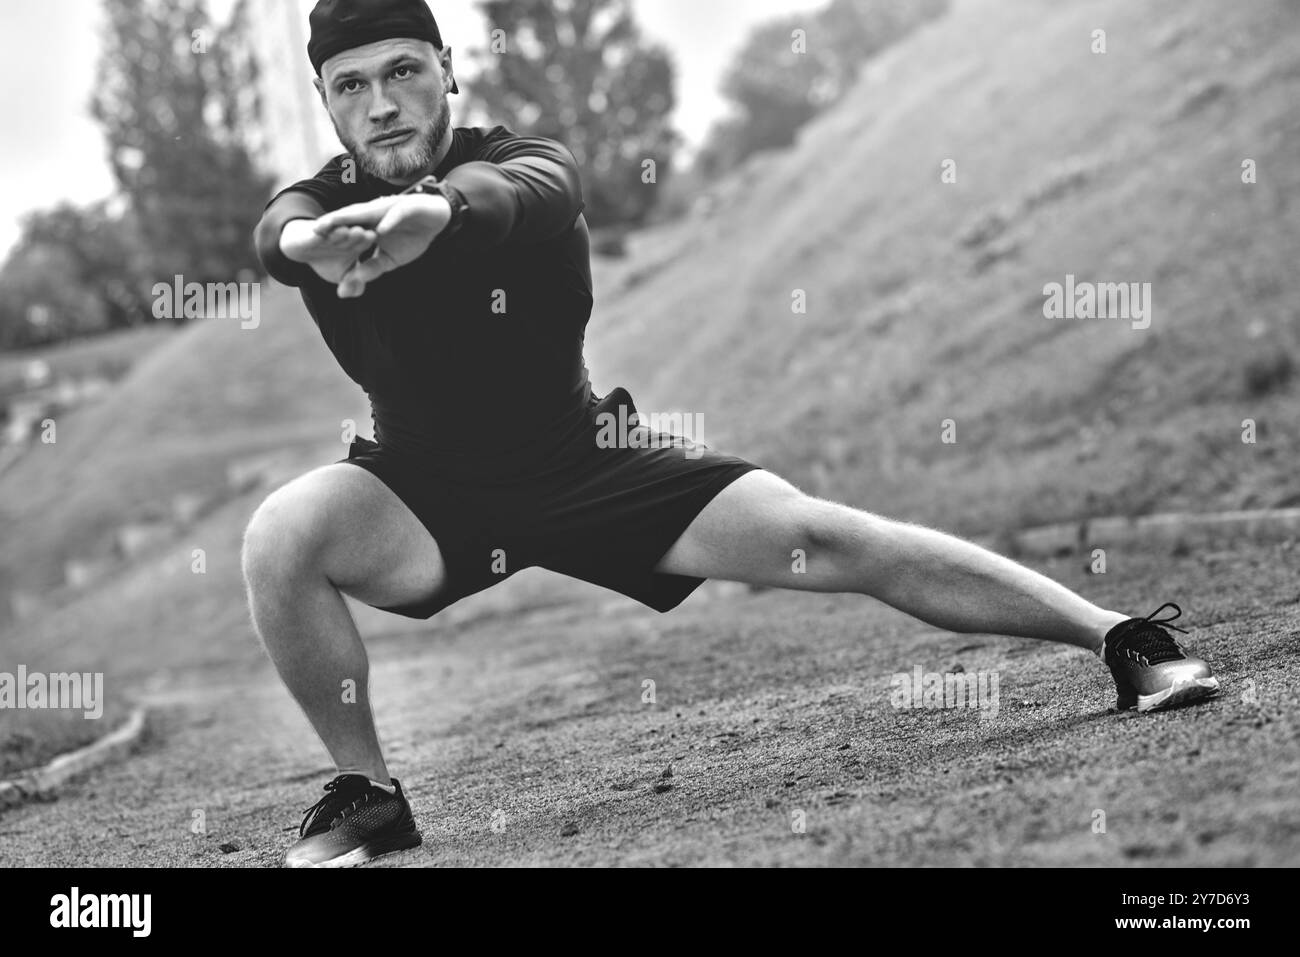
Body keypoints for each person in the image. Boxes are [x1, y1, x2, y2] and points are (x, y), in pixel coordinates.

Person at [247, 0, 1220, 868]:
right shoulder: (323, 208)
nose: (382, 103)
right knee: (280, 535)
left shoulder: (521, 163)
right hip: (424, 494)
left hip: (588, 464)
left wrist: (436, 216)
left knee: (829, 536)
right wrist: (299, 246)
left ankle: (1121, 640)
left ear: (447, 70)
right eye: (353, 86)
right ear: (329, 105)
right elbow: (277, 228)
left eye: (404, 72)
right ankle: (370, 798)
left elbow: (517, 198)